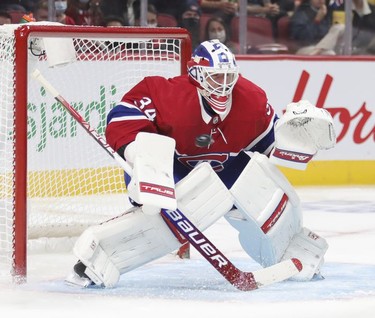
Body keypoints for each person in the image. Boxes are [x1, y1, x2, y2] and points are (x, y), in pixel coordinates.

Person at [65, 39, 336, 288]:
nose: (224, 84)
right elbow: (121, 119)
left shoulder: (251, 99)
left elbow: (268, 146)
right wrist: (142, 159)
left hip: (221, 170)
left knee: (258, 177)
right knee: (185, 204)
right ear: (196, 75)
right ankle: (98, 259)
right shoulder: (166, 94)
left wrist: (295, 139)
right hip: (169, 169)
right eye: (216, 77)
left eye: (229, 76)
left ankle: (291, 248)